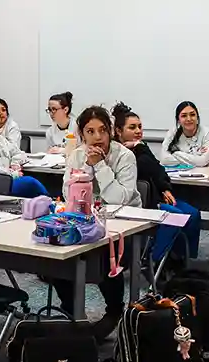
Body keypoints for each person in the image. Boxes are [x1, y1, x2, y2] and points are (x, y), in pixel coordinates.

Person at [51, 106, 138, 340]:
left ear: (110, 131)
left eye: (102, 130)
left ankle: (114, 309)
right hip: (86, 222)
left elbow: (119, 198)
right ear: (82, 134)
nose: (97, 137)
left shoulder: (125, 157)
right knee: (59, 247)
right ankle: (70, 307)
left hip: (124, 226)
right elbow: (68, 194)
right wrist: (87, 167)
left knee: (106, 252)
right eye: (90, 131)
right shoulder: (77, 155)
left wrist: (99, 165)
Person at [113, 102, 202, 264]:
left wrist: (164, 189)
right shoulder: (119, 152)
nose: (138, 131)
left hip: (157, 195)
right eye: (132, 127)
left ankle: (179, 258)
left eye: (140, 127)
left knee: (193, 214)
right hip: (142, 202)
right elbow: (145, 167)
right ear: (119, 131)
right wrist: (141, 148)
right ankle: (153, 260)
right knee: (176, 216)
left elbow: (158, 170)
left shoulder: (140, 147)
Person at [160, 101, 209, 167]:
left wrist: (175, 153)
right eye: (184, 116)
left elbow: (203, 161)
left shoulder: (208, 133)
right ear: (178, 120)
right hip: (176, 173)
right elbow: (164, 160)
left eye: (192, 115)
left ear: (197, 117)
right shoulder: (172, 133)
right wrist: (196, 156)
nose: (189, 119)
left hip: (201, 173)